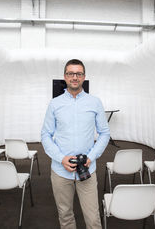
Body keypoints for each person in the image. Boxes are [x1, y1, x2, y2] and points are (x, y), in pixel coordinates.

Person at [41, 59, 110, 229]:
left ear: (84, 77)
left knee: (93, 219)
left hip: (87, 169)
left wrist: (91, 157)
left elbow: (104, 133)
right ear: (65, 76)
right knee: (65, 216)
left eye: (78, 74)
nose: (74, 77)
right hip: (60, 171)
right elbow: (45, 135)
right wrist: (60, 158)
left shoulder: (95, 102)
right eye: (71, 73)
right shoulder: (55, 104)